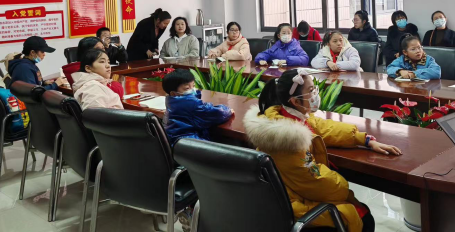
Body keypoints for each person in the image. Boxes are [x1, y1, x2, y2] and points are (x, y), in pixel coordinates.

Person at [243, 69, 401, 232]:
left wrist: (365, 139)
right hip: (296, 206)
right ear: (295, 101)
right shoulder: (287, 141)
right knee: (364, 219)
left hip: (296, 194)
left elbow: (325, 127)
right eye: (311, 90)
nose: (315, 94)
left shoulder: (285, 116)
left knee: (359, 211)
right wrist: (344, 185)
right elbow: (316, 182)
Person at [162, 69, 233, 146]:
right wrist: (228, 110)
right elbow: (218, 113)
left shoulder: (171, 100)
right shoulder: (190, 102)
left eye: (193, 86)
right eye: (187, 88)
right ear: (173, 93)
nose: (193, 89)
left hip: (176, 142)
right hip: (190, 144)